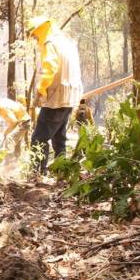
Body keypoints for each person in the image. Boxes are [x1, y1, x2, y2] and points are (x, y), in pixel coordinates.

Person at [27, 15, 83, 174]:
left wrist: (41, 88)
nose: (35, 39)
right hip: (70, 96)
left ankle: (37, 173)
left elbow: (50, 67)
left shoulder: (49, 42)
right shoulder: (67, 42)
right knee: (59, 138)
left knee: (38, 138)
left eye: (35, 35)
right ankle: (62, 171)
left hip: (56, 98)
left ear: (40, 30)